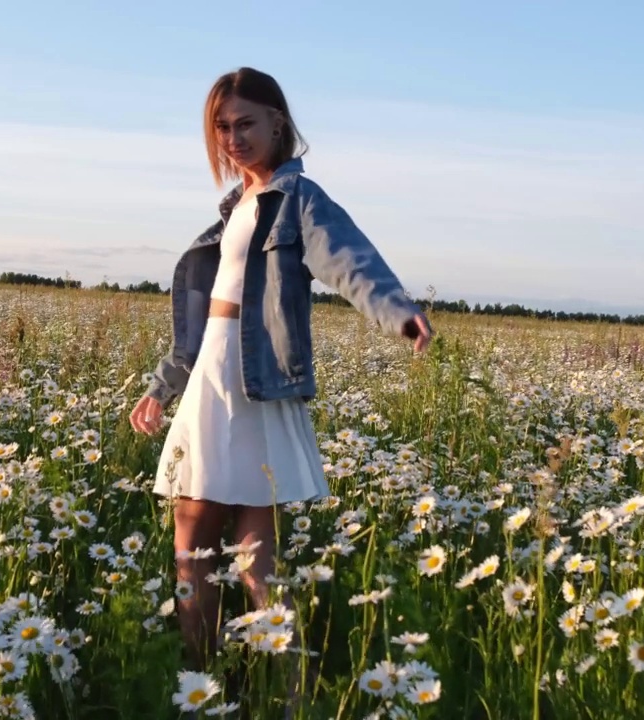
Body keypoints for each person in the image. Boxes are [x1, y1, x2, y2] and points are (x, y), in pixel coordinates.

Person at [128, 66, 432, 702]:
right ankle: (211, 681)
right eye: (222, 126)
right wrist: (163, 385)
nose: (234, 137)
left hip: (254, 381)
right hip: (209, 375)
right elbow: (200, 316)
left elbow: (348, 260)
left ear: (278, 123)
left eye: (246, 123)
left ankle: (283, 690)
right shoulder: (233, 207)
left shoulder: (299, 198)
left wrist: (397, 311)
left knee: (245, 556)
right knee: (194, 545)